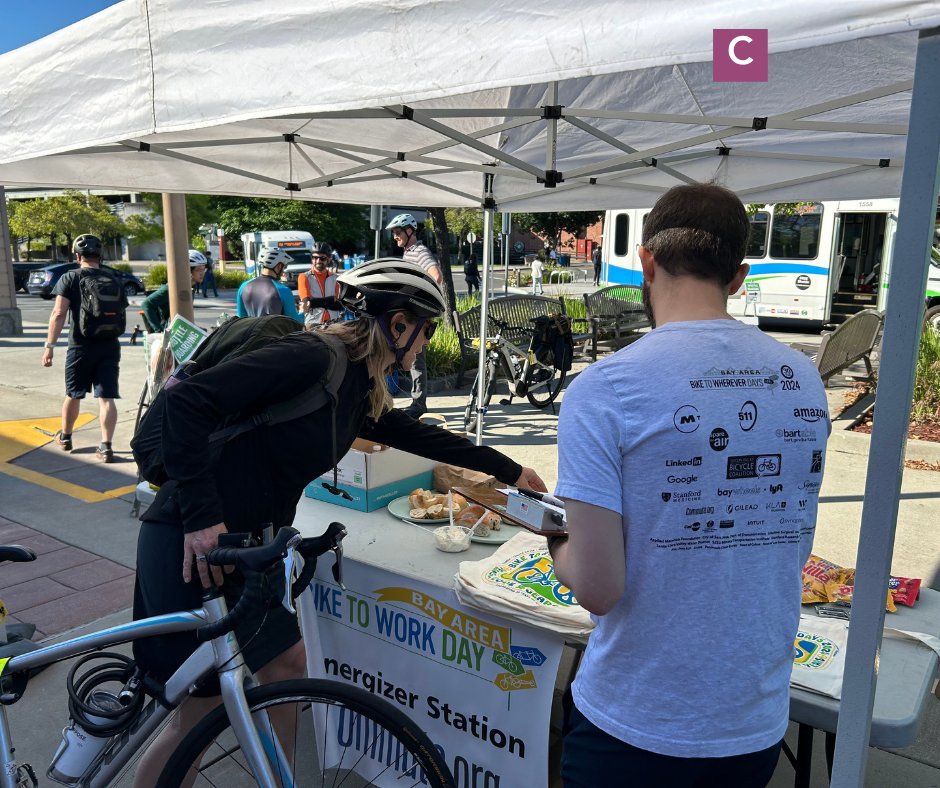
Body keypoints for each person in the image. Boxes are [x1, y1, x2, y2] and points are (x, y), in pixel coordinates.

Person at [130, 258, 547, 785]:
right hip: (192, 542)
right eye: (426, 331)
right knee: (193, 717)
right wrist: (202, 519)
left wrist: (508, 469)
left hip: (245, 548)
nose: (424, 344)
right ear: (397, 324)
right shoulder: (312, 357)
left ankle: (277, 779)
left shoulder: (354, 382)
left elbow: (410, 433)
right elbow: (188, 402)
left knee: (284, 666)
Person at [550, 183, 830, 787]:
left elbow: (597, 587)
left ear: (646, 261)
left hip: (634, 717)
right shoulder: (802, 379)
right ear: (738, 276)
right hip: (751, 720)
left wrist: (555, 541)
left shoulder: (605, 388)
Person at [41, 234, 128, 463]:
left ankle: (66, 437)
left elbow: (59, 314)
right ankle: (107, 447)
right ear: (101, 256)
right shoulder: (115, 279)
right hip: (110, 346)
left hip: (80, 346)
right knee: (106, 397)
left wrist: (49, 346)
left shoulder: (70, 277)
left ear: (77, 256)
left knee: (73, 394)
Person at [386, 213, 444, 419]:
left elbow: (437, 276)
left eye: (398, 232)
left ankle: (419, 404)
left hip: (418, 317)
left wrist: (419, 302)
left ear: (410, 231)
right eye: (394, 233)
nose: (395, 236)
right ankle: (415, 401)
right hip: (410, 315)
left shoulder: (419, 251)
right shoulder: (409, 252)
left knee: (417, 359)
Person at [141, 250, 208, 332]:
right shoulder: (173, 287)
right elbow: (146, 304)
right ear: (188, 271)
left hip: (180, 331)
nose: (202, 273)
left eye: (203, 269)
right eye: (198, 270)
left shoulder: (190, 286)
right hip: (170, 333)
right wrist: (158, 330)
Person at [236, 248, 303, 322]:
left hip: (249, 332)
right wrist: (303, 311)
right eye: (284, 266)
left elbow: (240, 319)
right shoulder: (283, 290)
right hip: (276, 333)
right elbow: (294, 322)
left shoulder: (243, 286)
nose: (283, 270)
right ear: (279, 266)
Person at [298, 241, 342, 328]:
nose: (318, 261)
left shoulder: (336, 278)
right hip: (313, 322)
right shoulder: (304, 277)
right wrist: (329, 301)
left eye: (322, 258)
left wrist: (315, 302)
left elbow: (338, 304)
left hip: (333, 322)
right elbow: (307, 303)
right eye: (315, 257)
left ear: (329, 259)